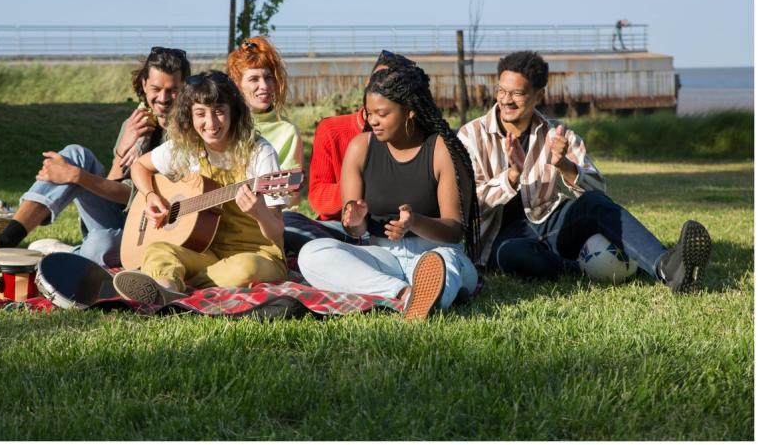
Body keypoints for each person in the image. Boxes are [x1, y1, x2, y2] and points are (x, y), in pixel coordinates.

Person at [456, 50, 712, 292]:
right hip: (500, 241)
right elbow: (467, 207)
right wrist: (511, 177)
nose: (505, 100)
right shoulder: (470, 136)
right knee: (514, 255)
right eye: (501, 90)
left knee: (594, 205)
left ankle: (667, 267)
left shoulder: (557, 134)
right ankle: (579, 265)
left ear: (538, 95)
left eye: (517, 93)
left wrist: (565, 166)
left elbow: (599, 190)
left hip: (549, 222)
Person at [0, 46, 190, 276]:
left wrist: (75, 176)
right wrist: (123, 152)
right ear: (144, 84)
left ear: (185, 89)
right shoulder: (134, 125)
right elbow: (114, 183)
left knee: (102, 244)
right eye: (156, 89)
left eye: (173, 90)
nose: (164, 98)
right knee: (76, 153)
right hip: (120, 219)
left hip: (150, 229)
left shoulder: (188, 134)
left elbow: (132, 196)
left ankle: (52, 258)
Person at [298, 63, 480, 320]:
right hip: (384, 258)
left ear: (410, 112)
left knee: (446, 264)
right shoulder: (360, 147)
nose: (372, 121)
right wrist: (355, 222)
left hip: (435, 253)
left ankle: (430, 295)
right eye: (369, 113)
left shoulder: (442, 149)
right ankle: (405, 294)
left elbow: (454, 231)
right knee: (312, 254)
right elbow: (355, 232)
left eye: (382, 114)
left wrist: (415, 222)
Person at [112, 70, 288, 306]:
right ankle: (166, 288)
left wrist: (260, 213)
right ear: (189, 117)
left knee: (246, 269)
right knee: (158, 249)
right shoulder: (187, 148)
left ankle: (174, 281)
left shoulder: (259, 153)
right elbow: (139, 167)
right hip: (207, 251)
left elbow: (277, 232)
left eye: (219, 112)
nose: (211, 123)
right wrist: (151, 195)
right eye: (200, 114)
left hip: (259, 253)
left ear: (233, 113)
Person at [282, 49, 417, 255]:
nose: (381, 91)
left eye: (392, 87)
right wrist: (357, 190)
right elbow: (318, 198)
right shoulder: (331, 129)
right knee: (288, 222)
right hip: (339, 230)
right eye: (377, 82)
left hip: (392, 233)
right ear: (366, 85)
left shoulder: (417, 137)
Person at [227, 36, 303, 206]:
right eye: (254, 79)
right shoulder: (221, 125)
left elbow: (291, 196)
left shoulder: (287, 132)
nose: (265, 86)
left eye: (268, 78)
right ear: (237, 85)